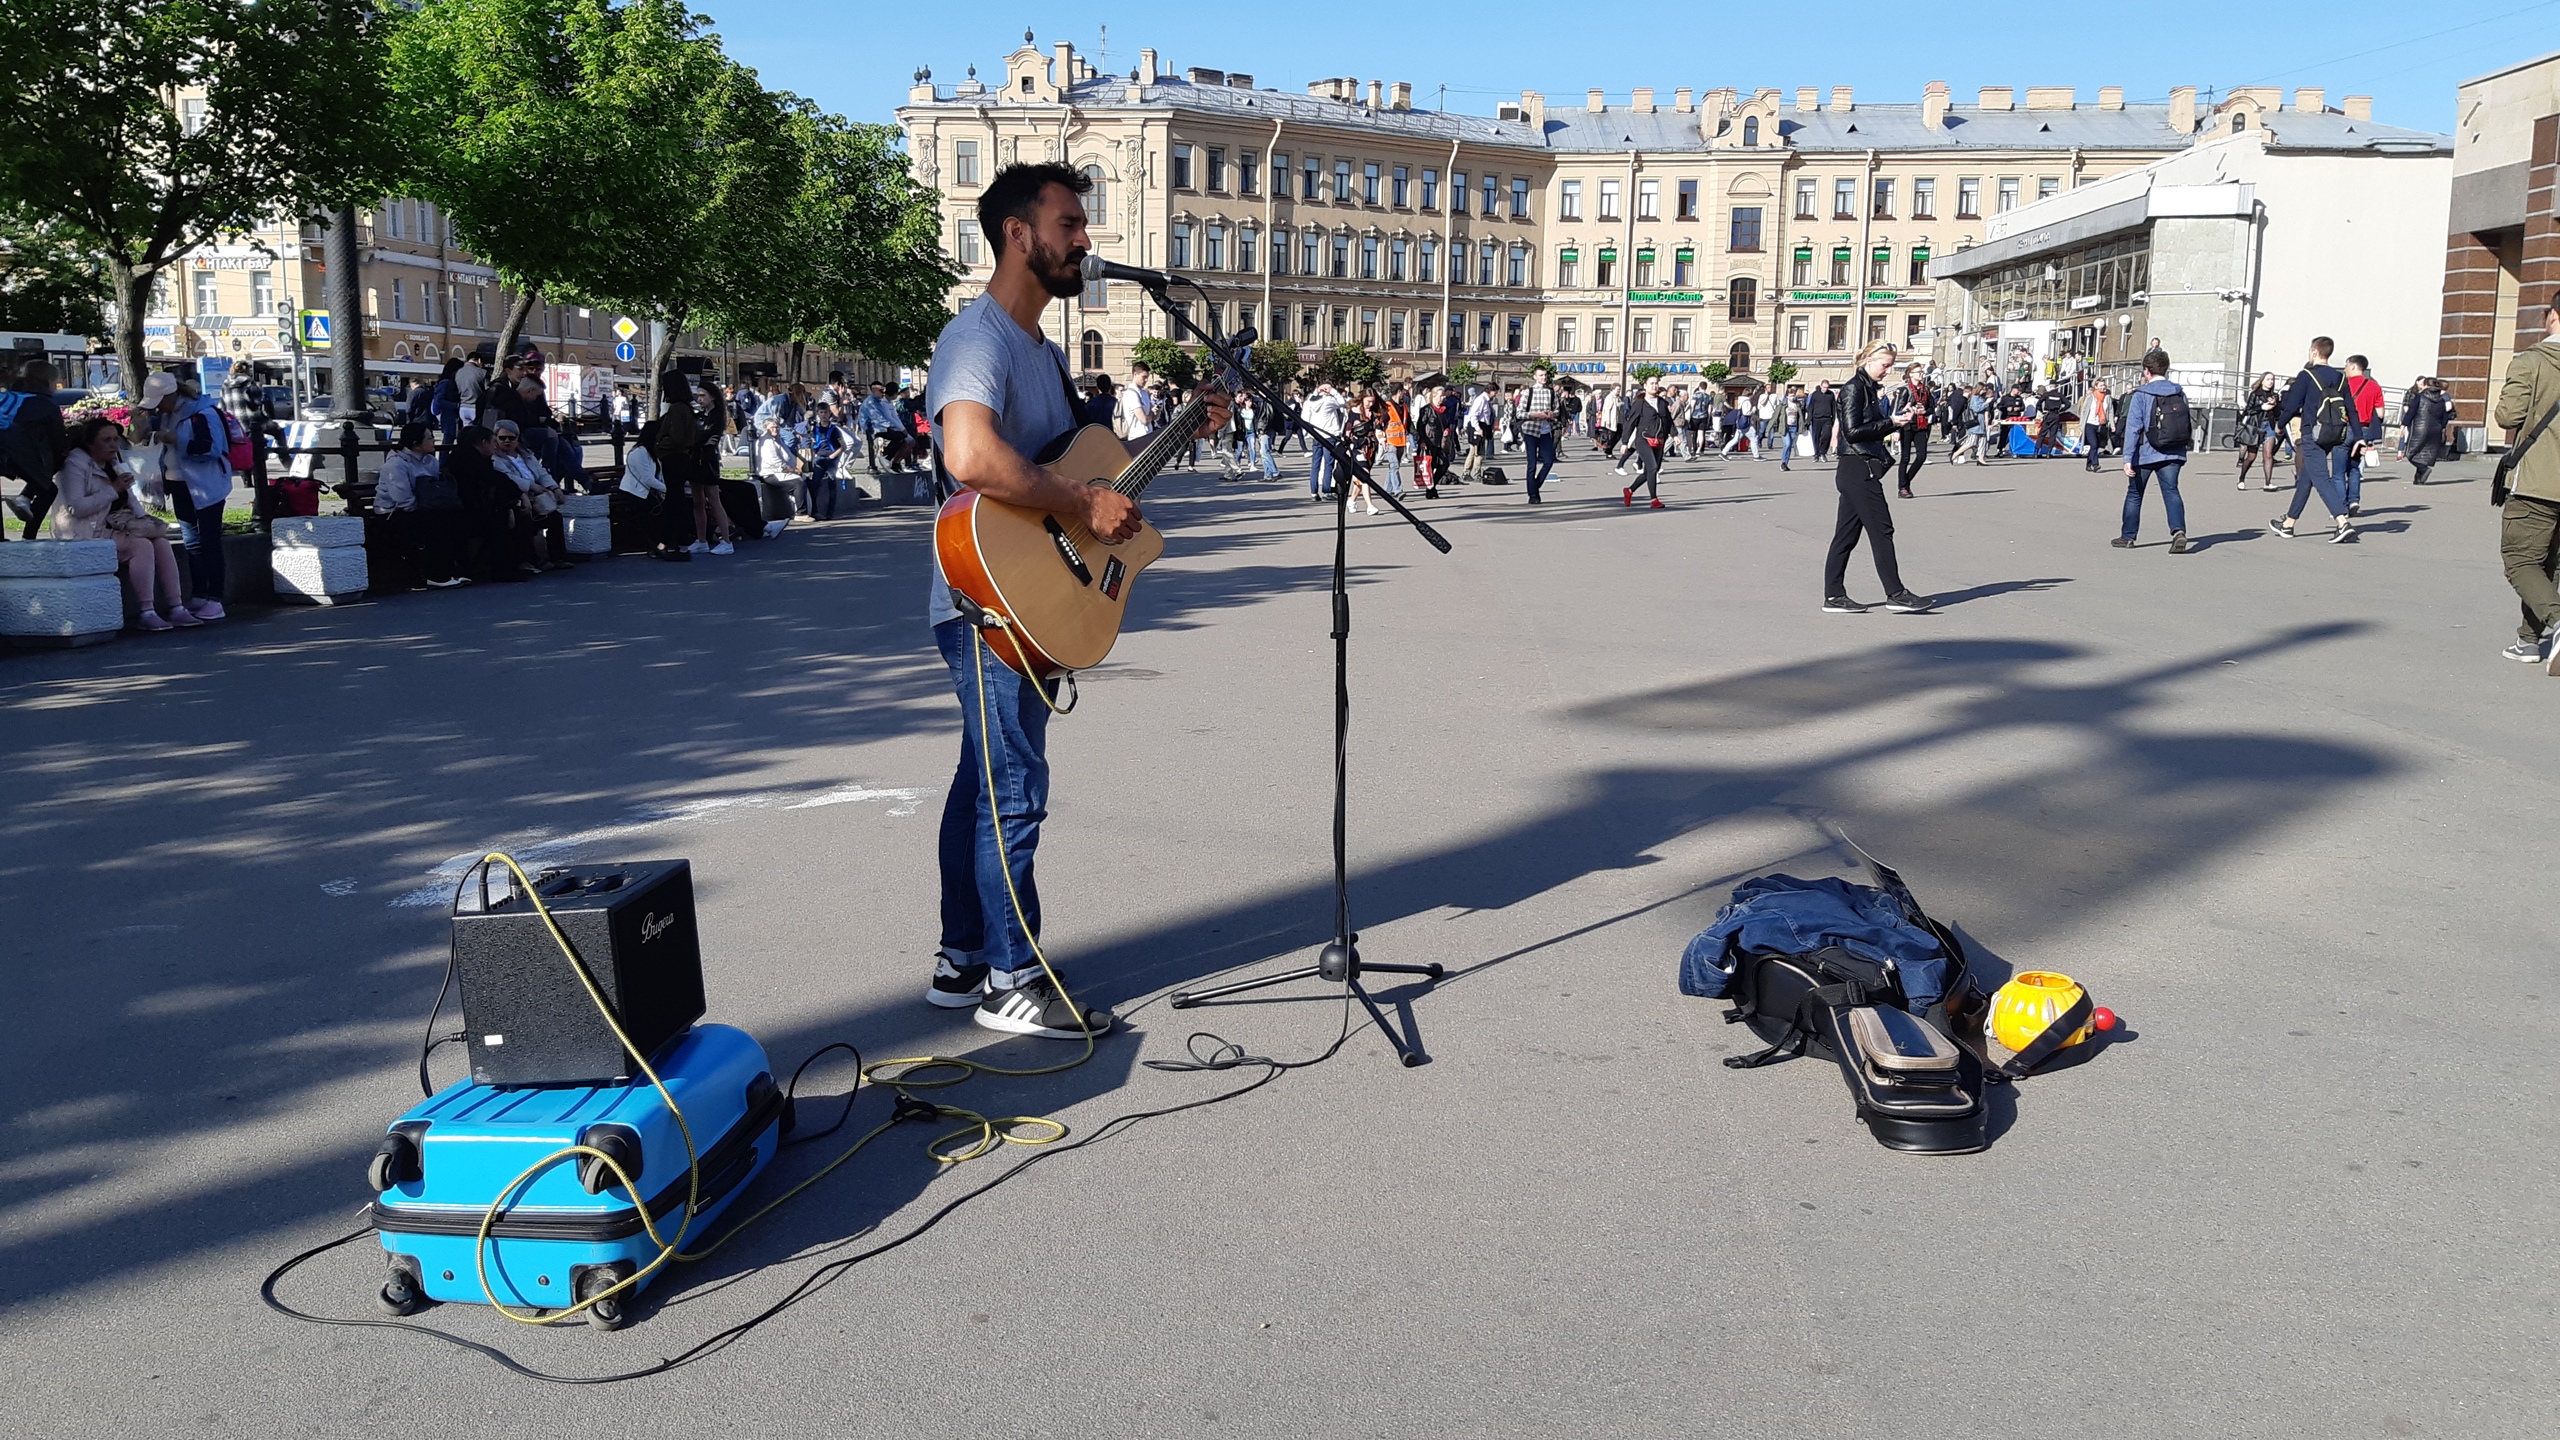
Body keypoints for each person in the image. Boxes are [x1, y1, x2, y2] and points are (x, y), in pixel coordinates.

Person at [922, 161, 1225, 1037]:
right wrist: (1084, 503)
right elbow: (972, 459)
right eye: (1069, 225)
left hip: (1020, 594)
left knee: (982, 779)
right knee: (1012, 787)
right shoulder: (977, 337)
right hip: (988, 597)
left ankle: (962, 958)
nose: (1086, 240)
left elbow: (1077, 461)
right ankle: (1011, 981)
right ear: (1019, 234)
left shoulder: (1042, 353)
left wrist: (1169, 434)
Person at [1822, 342, 1933, 614]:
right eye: (1885, 364)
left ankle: (1834, 596)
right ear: (1869, 360)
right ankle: (1895, 593)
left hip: (1857, 468)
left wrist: (1895, 421)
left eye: (1891, 365)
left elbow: (1864, 428)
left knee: (1846, 536)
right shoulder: (1854, 388)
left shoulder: (1867, 388)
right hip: (1858, 468)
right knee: (1882, 530)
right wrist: (1892, 423)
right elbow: (1853, 431)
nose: (1889, 370)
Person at [57, 417, 193, 628]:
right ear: (90, 444)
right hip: (83, 531)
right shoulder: (75, 464)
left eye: (115, 439)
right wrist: (113, 489)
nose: (113, 445)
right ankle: (146, 612)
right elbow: (76, 508)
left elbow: (129, 497)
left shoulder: (113, 462)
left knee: (161, 542)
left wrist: (145, 521)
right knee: (141, 546)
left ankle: (177, 607)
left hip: (114, 526)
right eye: (106, 440)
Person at [2493, 293, 2560, 670]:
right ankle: (2529, 640)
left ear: (2552, 316)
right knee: (2550, 565)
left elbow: (2507, 415)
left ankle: (2556, 622)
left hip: (2536, 479)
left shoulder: (2532, 361)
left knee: (2520, 559)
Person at [137, 371, 232, 620]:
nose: (157, 408)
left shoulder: (203, 413)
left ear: (171, 395)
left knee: (209, 541)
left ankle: (215, 598)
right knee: (192, 541)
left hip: (207, 485)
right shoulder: (168, 414)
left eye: (159, 402)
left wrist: (176, 440)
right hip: (179, 484)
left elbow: (211, 449)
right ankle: (200, 594)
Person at [2271, 337, 2356, 543]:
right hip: (2332, 433)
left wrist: (2280, 424)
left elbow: (2291, 405)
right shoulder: (2340, 378)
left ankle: (2342, 521)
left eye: (2310, 350)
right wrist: (2359, 437)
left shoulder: (2307, 375)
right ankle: (2289, 524)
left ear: (2315, 352)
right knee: (2306, 478)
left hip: (2311, 432)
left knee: (2320, 478)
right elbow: (2351, 408)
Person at [2115, 350, 2193, 554]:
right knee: (2171, 491)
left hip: (2145, 452)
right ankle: (2178, 531)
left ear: (2146, 371)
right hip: (2173, 451)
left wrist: (2127, 457)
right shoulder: (2178, 392)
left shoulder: (2141, 395)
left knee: (2135, 494)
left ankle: (2128, 537)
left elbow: (2133, 428)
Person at [372, 422, 450, 590]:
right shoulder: (396, 465)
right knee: (433, 525)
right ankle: (434, 574)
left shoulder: (430, 460)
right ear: (416, 444)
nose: (434, 441)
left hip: (423, 508)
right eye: (429, 438)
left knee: (451, 518)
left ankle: (448, 571)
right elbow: (403, 500)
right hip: (392, 513)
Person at [2, 359, 72, 538]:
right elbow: (58, 441)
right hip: (15, 451)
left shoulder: (6, 396)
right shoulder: (44, 404)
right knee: (48, 489)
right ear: (49, 382)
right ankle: (28, 537)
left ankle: (24, 499)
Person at [489, 420, 569, 573]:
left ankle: (558, 557)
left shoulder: (526, 454)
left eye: (511, 438)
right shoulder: (496, 458)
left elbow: (542, 472)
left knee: (555, 517)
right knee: (524, 520)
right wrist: (531, 486)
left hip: (537, 498)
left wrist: (555, 488)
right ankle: (529, 559)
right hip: (517, 498)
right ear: (496, 438)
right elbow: (508, 478)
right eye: (502, 438)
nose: (507, 441)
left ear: (518, 438)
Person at [1617, 375, 1673, 510]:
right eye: (1652, 383)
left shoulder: (1662, 403)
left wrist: (1674, 435)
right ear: (1646, 386)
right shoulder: (1640, 403)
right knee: (1653, 468)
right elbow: (1630, 423)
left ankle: (1629, 490)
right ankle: (1654, 499)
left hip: (1659, 440)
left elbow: (1668, 421)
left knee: (1650, 471)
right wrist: (1625, 442)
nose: (1654, 386)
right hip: (1643, 440)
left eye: (1656, 383)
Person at [2342, 355, 2386, 517]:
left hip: (2345, 428)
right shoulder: (2374, 386)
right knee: (2355, 467)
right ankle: (2354, 499)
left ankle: (2341, 506)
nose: (2345, 369)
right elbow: (2380, 413)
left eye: (2346, 366)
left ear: (2354, 367)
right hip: (2364, 430)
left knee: (2339, 470)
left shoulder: (2344, 385)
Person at [1518, 365, 1562, 503]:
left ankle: (1535, 486)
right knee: (1532, 464)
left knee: (1548, 461)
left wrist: (1551, 414)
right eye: (1541, 375)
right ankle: (1533, 496)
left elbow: (1557, 410)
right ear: (1535, 377)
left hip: (1545, 431)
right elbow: (1519, 413)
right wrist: (1535, 415)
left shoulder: (1551, 392)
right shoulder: (1528, 393)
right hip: (1531, 430)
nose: (1543, 378)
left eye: (1545, 375)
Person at [1301, 380, 1348, 501]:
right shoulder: (1329, 401)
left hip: (1316, 435)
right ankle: (1326, 490)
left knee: (1315, 465)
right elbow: (1342, 402)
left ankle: (1313, 492)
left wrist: (1316, 391)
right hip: (1329, 435)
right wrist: (1332, 390)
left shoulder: (1309, 402)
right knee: (1328, 464)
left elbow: (1304, 417)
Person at [2236, 372, 2283, 490]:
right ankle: (2241, 478)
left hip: (2269, 426)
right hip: (2256, 426)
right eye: (2268, 379)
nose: (2270, 381)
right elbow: (2248, 410)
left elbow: (2278, 414)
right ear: (2262, 381)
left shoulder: (2275, 395)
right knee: (2251, 456)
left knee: (2268, 454)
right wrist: (2261, 407)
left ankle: (2268, 483)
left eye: (2272, 379)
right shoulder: (2255, 394)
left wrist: (2275, 405)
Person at [2402, 377, 2453, 485]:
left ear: (2426, 385)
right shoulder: (2441, 400)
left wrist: (2404, 424)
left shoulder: (2419, 397)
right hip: (2436, 429)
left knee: (2410, 453)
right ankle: (2418, 479)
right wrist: (2442, 427)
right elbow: (2445, 416)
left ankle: (2423, 468)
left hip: (2420, 428)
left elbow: (2411, 411)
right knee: (2424, 454)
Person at [1895, 363, 1933, 497]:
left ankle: (1906, 482)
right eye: (1918, 372)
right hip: (1907, 426)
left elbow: (1932, 408)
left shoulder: (1925, 390)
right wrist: (1896, 430)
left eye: (1921, 372)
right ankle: (1902, 488)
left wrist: (1925, 411)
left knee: (1921, 456)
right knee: (1905, 458)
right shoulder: (1905, 390)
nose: (1921, 374)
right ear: (1910, 374)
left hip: (1921, 425)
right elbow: (1897, 410)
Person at [1115, 362, 1158, 442]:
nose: (1146, 380)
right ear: (1135, 374)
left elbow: (1153, 418)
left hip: (1148, 436)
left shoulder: (1144, 392)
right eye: (1144, 377)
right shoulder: (1131, 394)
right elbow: (1144, 420)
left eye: (1147, 377)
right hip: (1137, 439)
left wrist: (1156, 411)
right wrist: (1152, 412)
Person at [2081, 381, 2113, 473]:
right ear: (2096, 386)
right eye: (2101, 385)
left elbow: (2110, 411)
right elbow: (2084, 410)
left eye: (2104, 385)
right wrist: (2081, 424)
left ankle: (2088, 464)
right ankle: (2095, 464)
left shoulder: (2107, 398)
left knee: (2095, 446)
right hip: (2090, 424)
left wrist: (2112, 424)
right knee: (2094, 444)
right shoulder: (2090, 398)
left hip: (2101, 424)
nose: (2103, 387)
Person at [1805, 381, 1837, 462]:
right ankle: (1816, 454)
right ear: (1821, 386)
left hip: (1827, 418)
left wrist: (1833, 418)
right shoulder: (1815, 394)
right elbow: (1811, 407)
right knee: (1816, 437)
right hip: (1816, 418)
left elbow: (1834, 407)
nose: (1825, 389)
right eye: (1824, 387)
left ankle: (1823, 453)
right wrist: (1809, 419)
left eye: (1827, 387)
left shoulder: (1830, 394)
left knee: (1826, 436)